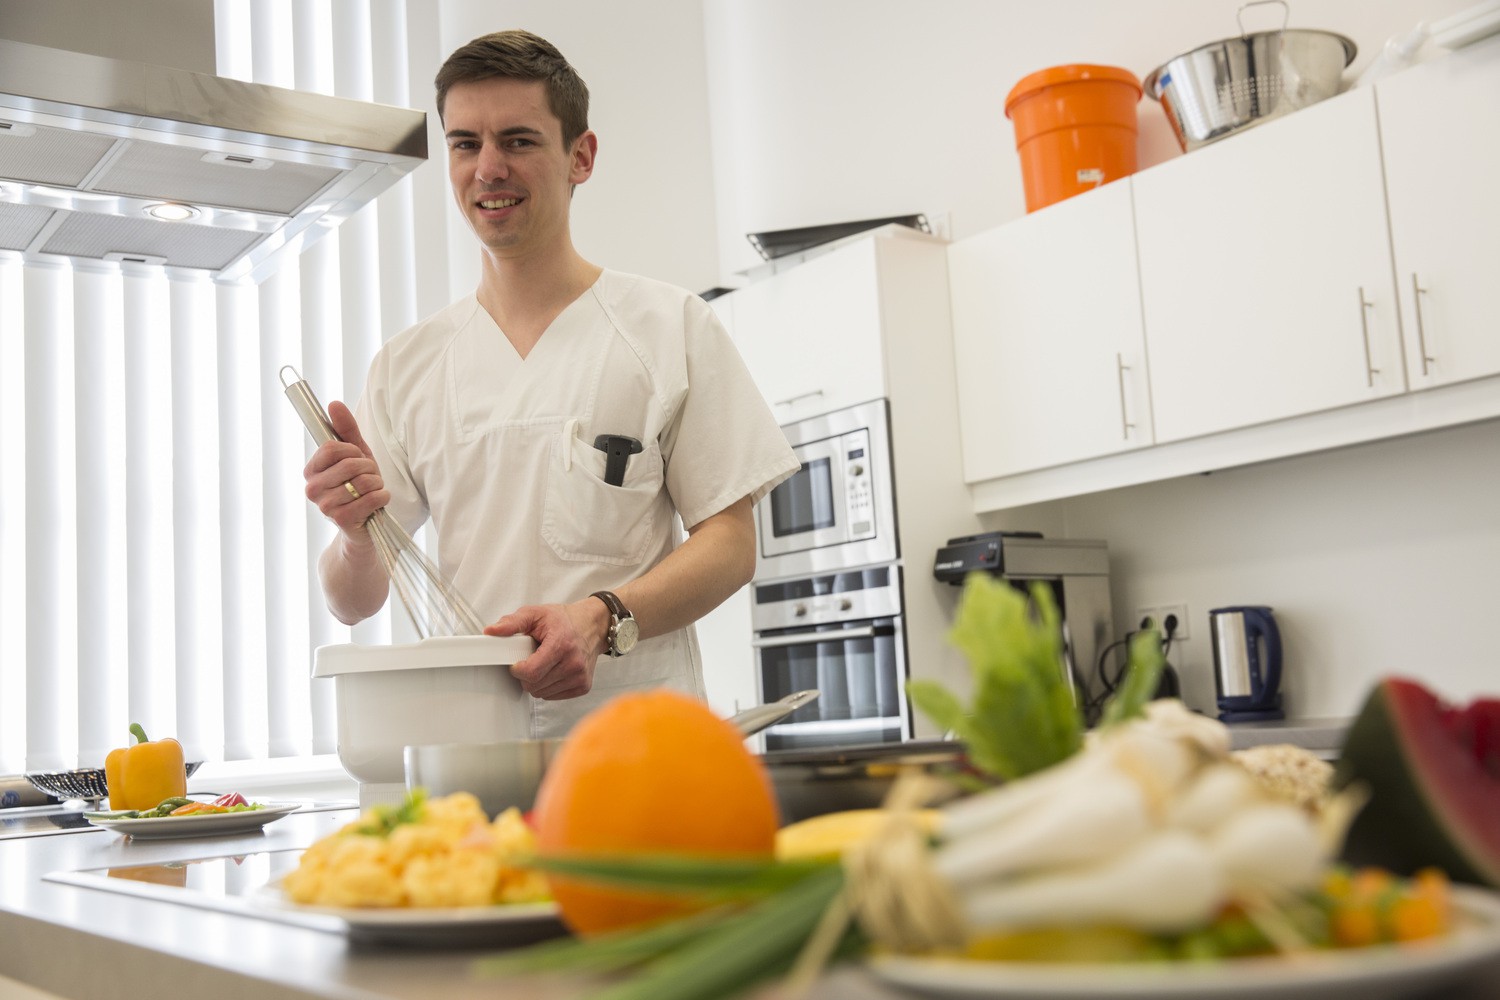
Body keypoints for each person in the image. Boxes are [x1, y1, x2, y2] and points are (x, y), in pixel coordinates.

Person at [301, 29, 797, 737]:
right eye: (466, 143)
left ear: (580, 157)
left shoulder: (668, 328)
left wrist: (603, 617)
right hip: (472, 757)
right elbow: (352, 603)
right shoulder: (407, 368)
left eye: (520, 141)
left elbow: (730, 543)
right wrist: (353, 537)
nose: (488, 168)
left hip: (637, 752)